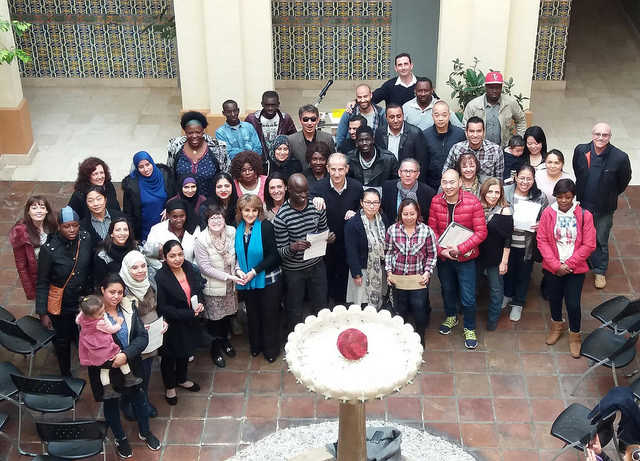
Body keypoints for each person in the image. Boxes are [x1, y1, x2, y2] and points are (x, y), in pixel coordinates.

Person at [88, 274, 161, 457]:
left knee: (140, 399)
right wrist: (113, 360)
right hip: (106, 370)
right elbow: (89, 346)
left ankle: (145, 432)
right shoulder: (91, 313)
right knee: (111, 405)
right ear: (102, 290)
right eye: (112, 292)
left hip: (130, 365)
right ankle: (120, 438)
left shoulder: (129, 307)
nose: (116, 296)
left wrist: (125, 355)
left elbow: (141, 337)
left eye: (120, 292)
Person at [429, 170, 487, 349]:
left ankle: (469, 327)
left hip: (466, 258)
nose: (448, 186)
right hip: (445, 258)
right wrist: (442, 251)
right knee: (447, 290)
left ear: (460, 182)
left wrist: (460, 249)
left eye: (452, 182)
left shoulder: (473, 202)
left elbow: (481, 232)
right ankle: (451, 316)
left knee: (468, 296)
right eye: (445, 182)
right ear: (441, 183)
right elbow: (432, 231)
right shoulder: (436, 201)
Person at [537, 179, 596, 357]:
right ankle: (557, 326)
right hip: (553, 267)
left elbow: (589, 244)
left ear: (573, 197)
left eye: (568, 197)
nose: (563, 201)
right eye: (560, 197)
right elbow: (542, 240)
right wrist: (556, 265)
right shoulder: (548, 213)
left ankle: (575, 335)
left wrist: (569, 265)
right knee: (554, 298)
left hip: (574, 268)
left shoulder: (585, 215)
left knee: (573, 303)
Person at [573, 122, 631, 289]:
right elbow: (578, 170)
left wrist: (610, 194)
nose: (600, 138)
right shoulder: (581, 150)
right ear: (592, 135)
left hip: (604, 208)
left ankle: (599, 270)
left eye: (604, 135)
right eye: (597, 134)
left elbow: (624, 181)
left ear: (610, 137)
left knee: (600, 239)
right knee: (579, 236)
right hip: (583, 203)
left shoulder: (620, 157)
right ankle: (579, 263)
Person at [36, 206, 93, 376]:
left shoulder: (85, 238)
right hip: (62, 303)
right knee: (62, 340)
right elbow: (42, 282)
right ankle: (65, 373)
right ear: (59, 227)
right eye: (67, 226)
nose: (72, 230)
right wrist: (43, 313)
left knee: (85, 333)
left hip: (82, 300)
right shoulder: (49, 250)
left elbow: (90, 268)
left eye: (75, 225)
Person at [273, 174, 333, 332]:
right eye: (299, 192)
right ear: (289, 190)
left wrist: (328, 237)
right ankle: (295, 338)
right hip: (294, 271)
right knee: (294, 309)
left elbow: (324, 230)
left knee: (321, 306)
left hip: (316, 265)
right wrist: (293, 247)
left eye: (306, 191)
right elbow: (280, 252)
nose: (304, 195)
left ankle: (322, 335)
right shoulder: (282, 217)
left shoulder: (316, 207)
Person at [155, 240, 204, 405]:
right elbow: (163, 307)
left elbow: (197, 288)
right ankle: (170, 387)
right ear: (164, 257)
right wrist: (189, 313)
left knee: (185, 351)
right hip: (172, 323)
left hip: (189, 320)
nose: (177, 259)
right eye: (172, 256)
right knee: (169, 357)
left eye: (180, 254)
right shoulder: (161, 277)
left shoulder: (188, 267)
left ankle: (182, 379)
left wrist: (200, 302)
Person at [119, 250, 166, 419]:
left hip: (152, 334)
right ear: (127, 269)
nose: (140, 271)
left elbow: (159, 304)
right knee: (131, 374)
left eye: (143, 266)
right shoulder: (121, 289)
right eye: (134, 268)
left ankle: (143, 401)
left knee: (145, 372)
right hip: (133, 339)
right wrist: (137, 328)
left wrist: (163, 321)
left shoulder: (150, 280)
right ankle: (127, 404)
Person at [235, 195, 282, 361]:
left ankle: (271, 350)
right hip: (247, 280)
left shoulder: (266, 227)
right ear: (240, 211)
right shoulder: (238, 228)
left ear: (259, 211)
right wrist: (238, 270)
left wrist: (254, 271)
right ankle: (256, 346)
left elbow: (274, 256)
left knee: (269, 315)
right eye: (247, 210)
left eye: (254, 210)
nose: (250, 214)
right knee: (253, 315)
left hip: (267, 278)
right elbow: (237, 254)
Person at [310, 153, 363, 303]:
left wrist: (357, 214)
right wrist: (313, 199)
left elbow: (365, 209)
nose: (337, 173)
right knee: (324, 284)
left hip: (348, 245)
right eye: (333, 169)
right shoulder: (317, 188)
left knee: (345, 286)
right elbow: (305, 206)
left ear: (347, 169)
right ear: (327, 169)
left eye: (340, 169)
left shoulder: (357, 187)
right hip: (326, 244)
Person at [385, 198, 437, 346]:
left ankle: (420, 338)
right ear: (400, 214)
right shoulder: (392, 230)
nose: (409, 217)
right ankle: (402, 340)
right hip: (398, 278)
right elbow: (388, 252)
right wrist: (389, 272)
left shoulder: (426, 231)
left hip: (418, 279)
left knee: (419, 309)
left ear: (418, 214)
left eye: (412, 214)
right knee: (400, 309)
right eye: (405, 214)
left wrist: (427, 273)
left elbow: (432, 254)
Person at [194, 206, 240, 368]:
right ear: (207, 221)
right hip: (213, 286)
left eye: (219, 217)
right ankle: (215, 349)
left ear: (224, 218)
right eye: (212, 218)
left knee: (227, 317)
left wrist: (237, 270)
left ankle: (225, 341)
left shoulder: (232, 232)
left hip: (231, 285)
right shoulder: (201, 239)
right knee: (214, 320)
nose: (216, 221)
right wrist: (228, 277)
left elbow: (238, 255)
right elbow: (204, 267)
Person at [503, 165, 549, 322]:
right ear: (516, 177)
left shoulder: (540, 196)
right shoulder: (505, 191)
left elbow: (547, 218)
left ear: (534, 179)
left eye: (529, 179)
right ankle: (507, 295)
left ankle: (518, 302)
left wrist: (540, 224)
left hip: (527, 244)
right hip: (507, 243)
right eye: (522, 178)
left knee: (523, 274)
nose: (525, 182)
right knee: (507, 271)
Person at [76, 295, 143, 399]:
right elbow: (111, 329)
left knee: (104, 369)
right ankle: (129, 377)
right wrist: (119, 323)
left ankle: (107, 390)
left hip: (93, 349)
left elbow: (77, 320)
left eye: (103, 311)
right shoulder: (100, 322)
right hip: (103, 347)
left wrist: (83, 313)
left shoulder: (82, 318)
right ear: (90, 315)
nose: (103, 314)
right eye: (99, 314)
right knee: (120, 357)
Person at [478, 178, 513, 330]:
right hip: (477, 255)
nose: (493, 195)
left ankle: (493, 319)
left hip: (495, 257)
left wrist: (504, 261)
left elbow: (508, 239)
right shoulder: (478, 207)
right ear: (484, 192)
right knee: (473, 286)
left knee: (495, 289)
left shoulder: (504, 210)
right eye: (490, 191)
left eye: (497, 192)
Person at [345, 188, 390, 308]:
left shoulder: (383, 219)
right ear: (361, 203)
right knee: (361, 302)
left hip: (378, 269)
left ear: (379, 203)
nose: (372, 206)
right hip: (362, 270)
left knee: (377, 301)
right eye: (368, 202)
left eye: (375, 202)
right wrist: (356, 274)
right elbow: (351, 251)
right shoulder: (353, 223)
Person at [10, 195, 57, 302]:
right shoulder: (21, 233)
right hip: (40, 279)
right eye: (34, 208)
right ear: (28, 212)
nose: (38, 211)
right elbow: (21, 267)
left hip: (57, 276)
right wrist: (30, 292)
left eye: (42, 207)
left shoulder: (54, 226)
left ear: (47, 211)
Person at [462, 71, 526, 148]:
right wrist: (473, 145)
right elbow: (465, 127)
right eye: (491, 87)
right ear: (485, 87)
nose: (494, 91)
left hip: (503, 148)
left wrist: (518, 140)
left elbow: (521, 120)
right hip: (480, 150)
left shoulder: (510, 103)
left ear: (501, 87)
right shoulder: (473, 105)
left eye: (497, 87)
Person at [168, 112, 226, 198]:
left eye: (198, 132)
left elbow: (225, 174)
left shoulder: (218, 147)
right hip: (183, 201)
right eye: (190, 133)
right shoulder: (175, 146)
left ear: (203, 131)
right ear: (185, 132)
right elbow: (171, 173)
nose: (194, 136)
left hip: (210, 200)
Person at [121, 151, 174, 242]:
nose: (146, 169)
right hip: (143, 229)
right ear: (137, 168)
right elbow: (128, 212)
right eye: (141, 167)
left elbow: (174, 197)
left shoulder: (165, 175)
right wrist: (132, 237)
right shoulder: (131, 184)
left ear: (152, 162)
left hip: (166, 226)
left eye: (147, 165)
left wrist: (170, 207)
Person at [423, 100, 466, 190]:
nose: (440, 119)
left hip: (454, 183)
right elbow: (423, 162)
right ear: (432, 116)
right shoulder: (425, 135)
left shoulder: (460, 134)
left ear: (449, 115)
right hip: (431, 184)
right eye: (437, 115)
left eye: (444, 115)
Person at [374, 104, 427, 170]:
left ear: (403, 116)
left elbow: (422, 161)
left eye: (398, 116)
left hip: (408, 173)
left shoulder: (415, 133)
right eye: (392, 117)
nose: (396, 120)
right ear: (386, 118)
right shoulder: (379, 133)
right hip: (387, 173)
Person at [381, 157, 435, 223]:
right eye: (405, 171)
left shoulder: (428, 193)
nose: (408, 175)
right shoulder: (387, 187)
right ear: (399, 173)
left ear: (417, 174)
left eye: (412, 171)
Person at [144, 200, 197, 266]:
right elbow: (148, 253)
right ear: (168, 215)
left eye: (182, 216)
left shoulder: (194, 229)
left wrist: (192, 269)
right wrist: (158, 250)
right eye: (175, 217)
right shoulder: (157, 229)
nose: (179, 220)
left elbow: (198, 256)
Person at [245, 90, 297, 155]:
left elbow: (294, 139)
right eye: (267, 105)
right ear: (262, 104)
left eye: (273, 105)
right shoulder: (252, 119)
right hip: (259, 157)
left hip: (280, 157)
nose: (270, 108)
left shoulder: (285, 118)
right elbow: (245, 140)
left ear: (278, 104)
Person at [94, 217, 140, 287]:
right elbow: (101, 282)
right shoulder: (102, 255)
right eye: (118, 230)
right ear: (111, 234)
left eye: (125, 230)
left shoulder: (136, 250)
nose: (122, 233)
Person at [335, 84, 386, 149]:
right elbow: (340, 137)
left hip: (375, 152)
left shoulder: (381, 113)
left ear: (371, 95)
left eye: (365, 96)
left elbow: (385, 137)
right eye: (359, 97)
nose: (362, 100)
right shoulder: (349, 113)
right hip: (352, 152)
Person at [79, 185, 125, 251]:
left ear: (105, 199)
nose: (95, 204)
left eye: (99, 199)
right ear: (86, 203)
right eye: (90, 200)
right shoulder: (83, 225)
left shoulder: (119, 217)